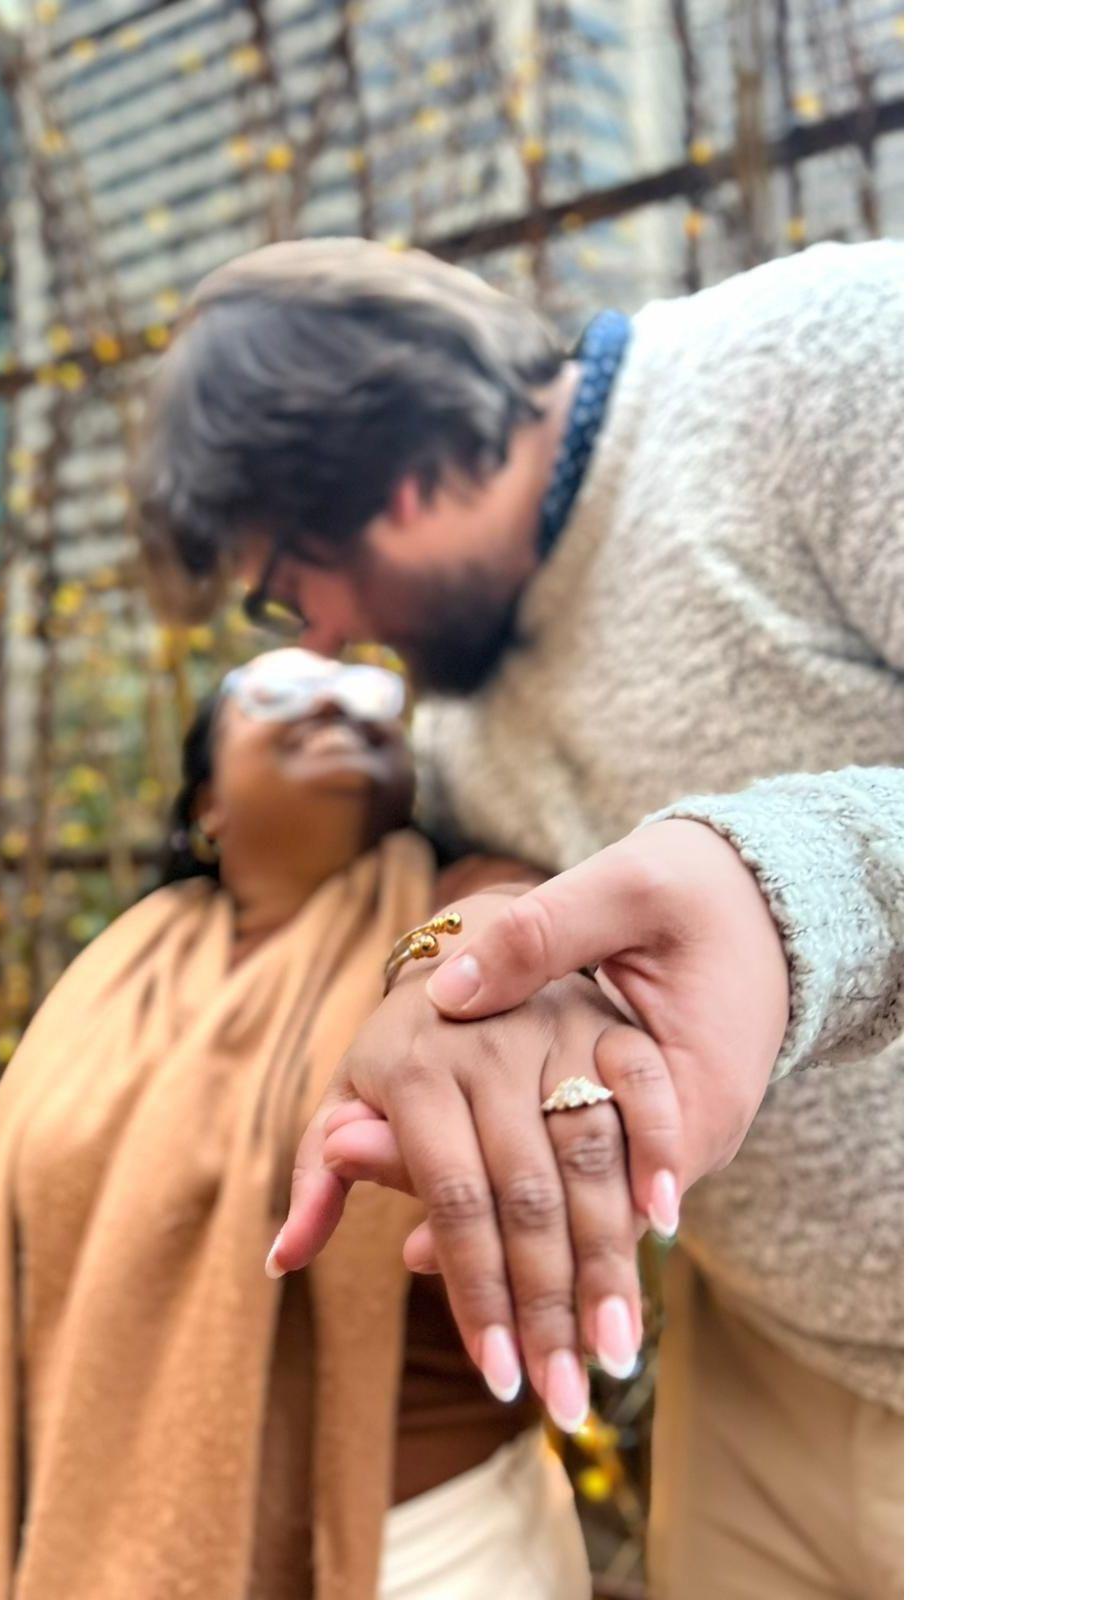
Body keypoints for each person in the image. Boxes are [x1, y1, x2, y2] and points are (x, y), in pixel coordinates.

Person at [134, 237, 904, 1598]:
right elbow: (452, 893)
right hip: (758, 1375)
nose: (316, 643)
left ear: (389, 479)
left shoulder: (832, 363)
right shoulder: (448, 716)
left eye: (285, 590)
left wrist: (783, 885)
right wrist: (459, 946)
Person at [0, 646, 604, 1600]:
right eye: (278, 691)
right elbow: (31, 1242)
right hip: (96, 1544)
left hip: (425, 1551)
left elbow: (514, 928)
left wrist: (465, 943)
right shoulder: (118, 969)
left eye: (369, 696)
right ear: (208, 802)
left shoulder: (454, 905)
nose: (335, 706)